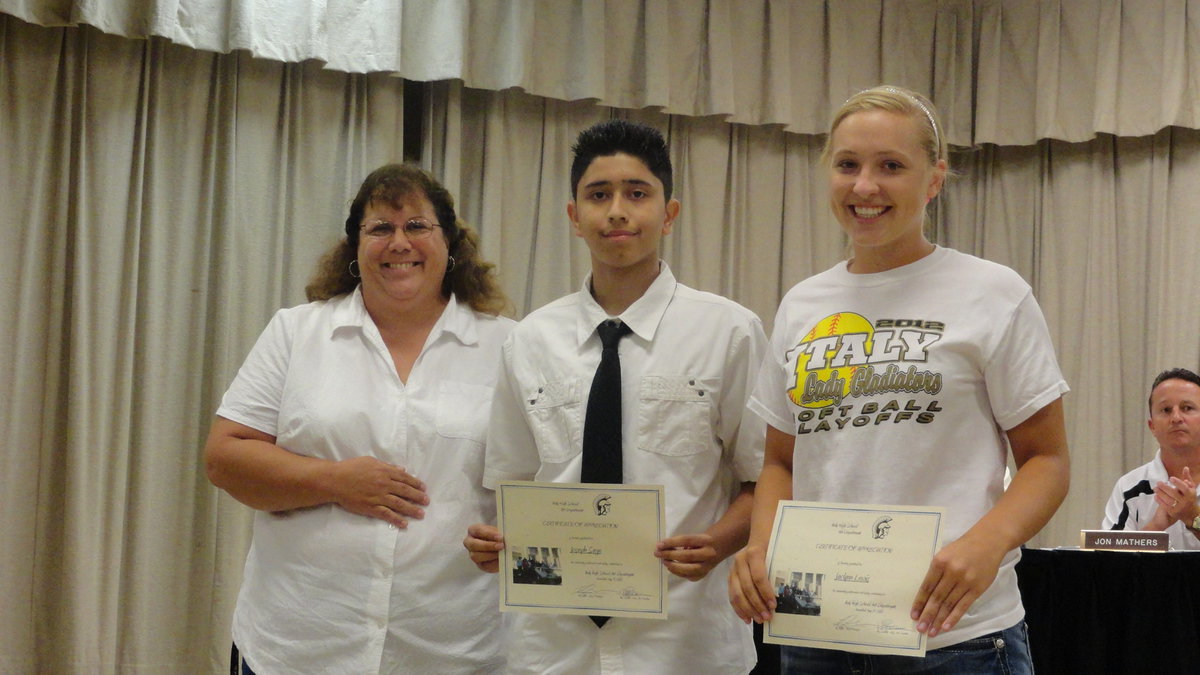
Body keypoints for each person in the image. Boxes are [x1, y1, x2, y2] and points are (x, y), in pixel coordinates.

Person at [727, 85, 1071, 674]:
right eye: (847, 165)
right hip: (819, 635)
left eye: (891, 166)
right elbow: (781, 462)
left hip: (956, 640)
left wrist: (988, 544)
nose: (865, 186)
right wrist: (763, 546)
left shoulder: (994, 293)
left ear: (933, 179)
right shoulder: (803, 304)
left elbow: (1048, 461)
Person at [462, 119, 768, 673]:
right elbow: (513, 485)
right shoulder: (529, 340)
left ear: (669, 214)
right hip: (554, 647)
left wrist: (718, 543)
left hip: (686, 642)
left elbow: (763, 476)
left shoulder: (730, 332)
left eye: (637, 193)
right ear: (574, 216)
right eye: (598, 195)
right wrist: (496, 543)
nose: (617, 211)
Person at [204, 164, 514, 674]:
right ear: (355, 246)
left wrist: (515, 541)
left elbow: (546, 478)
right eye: (380, 229)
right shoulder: (296, 333)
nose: (399, 243)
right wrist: (333, 481)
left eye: (417, 226)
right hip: (299, 648)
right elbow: (225, 458)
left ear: (450, 242)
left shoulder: (510, 346)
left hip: (454, 653)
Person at [1102, 367, 1200, 549]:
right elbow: (1109, 567)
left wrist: (1193, 518)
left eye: (1187, 408)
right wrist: (1155, 528)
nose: (1176, 417)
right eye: (1166, 410)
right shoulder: (1129, 488)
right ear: (1152, 426)